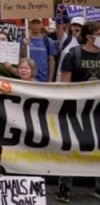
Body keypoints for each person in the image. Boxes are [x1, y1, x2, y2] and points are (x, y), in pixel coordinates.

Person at [55, 20, 100, 203]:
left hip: (98, 110)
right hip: (76, 110)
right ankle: (65, 187)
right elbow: (65, 84)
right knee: (71, 146)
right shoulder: (73, 55)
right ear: (90, 36)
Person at [20, 17, 57, 82]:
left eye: (38, 23)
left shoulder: (48, 41)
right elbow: (21, 57)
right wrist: (25, 45)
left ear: (42, 25)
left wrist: (50, 79)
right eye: (33, 23)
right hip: (27, 78)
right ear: (29, 24)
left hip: (43, 79)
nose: (36, 25)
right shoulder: (22, 40)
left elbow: (51, 61)